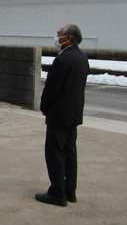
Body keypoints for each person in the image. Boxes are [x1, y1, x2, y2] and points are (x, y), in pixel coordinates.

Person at [36, 24, 90, 207]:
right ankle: (70, 191)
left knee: (54, 153)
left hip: (59, 114)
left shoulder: (63, 59)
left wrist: (44, 106)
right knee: (70, 152)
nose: (56, 38)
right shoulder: (82, 57)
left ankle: (57, 193)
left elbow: (52, 88)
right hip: (74, 114)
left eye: (59, 35)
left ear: (69, 37)